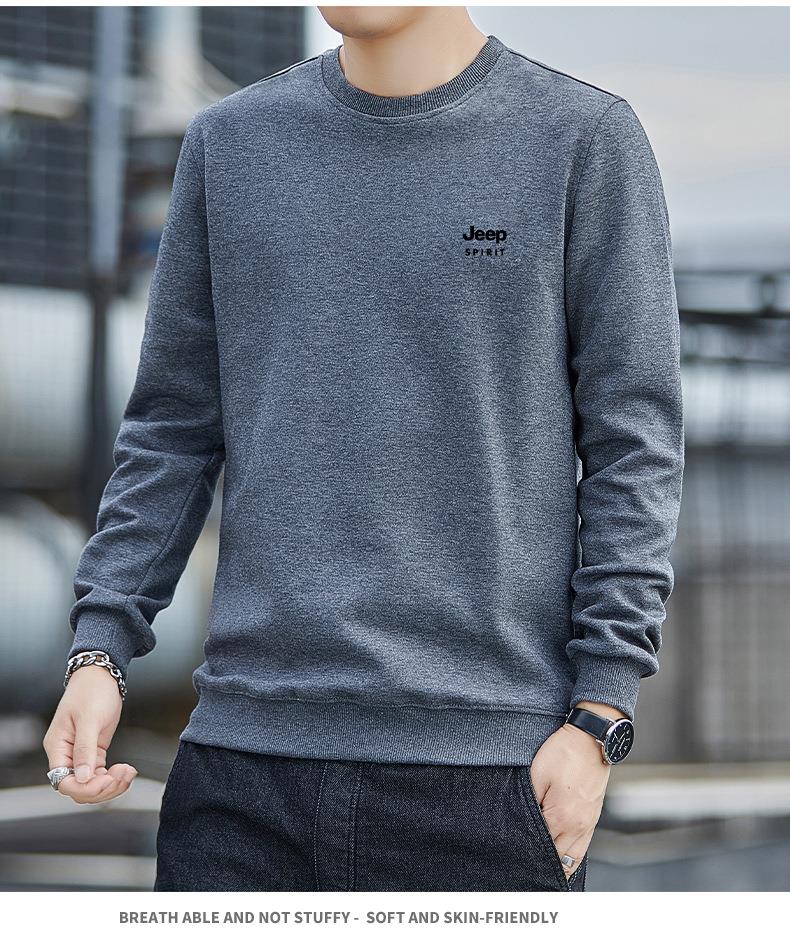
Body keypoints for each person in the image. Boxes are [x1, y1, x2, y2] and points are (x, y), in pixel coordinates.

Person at [43, 6, 684, 892]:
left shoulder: (581, 139)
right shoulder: (231, 145)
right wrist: (100, 648)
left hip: (490, 777)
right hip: (241, 771)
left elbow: (634, 445)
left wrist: (601, 712)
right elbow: (171, 430)